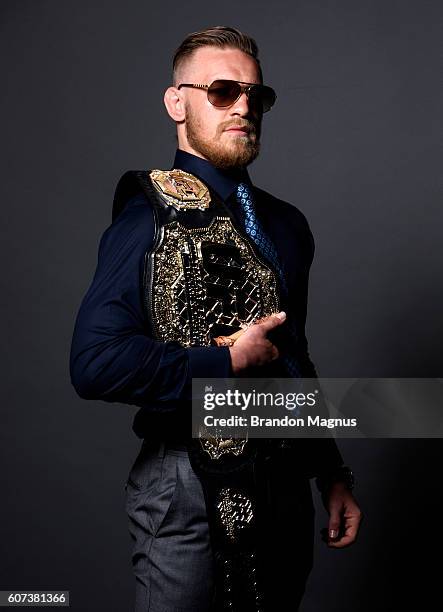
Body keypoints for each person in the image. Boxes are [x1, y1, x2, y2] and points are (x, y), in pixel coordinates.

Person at [70, 26, 362, 612]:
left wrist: (330, 471)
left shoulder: (286, 225)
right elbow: (95, 362)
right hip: (186, 482)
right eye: (223, 91)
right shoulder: (147, 216)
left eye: (258, 96)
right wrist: (225, 361)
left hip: (282, 481)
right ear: (177, 102)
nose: (245, 107)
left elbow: (295, 360)